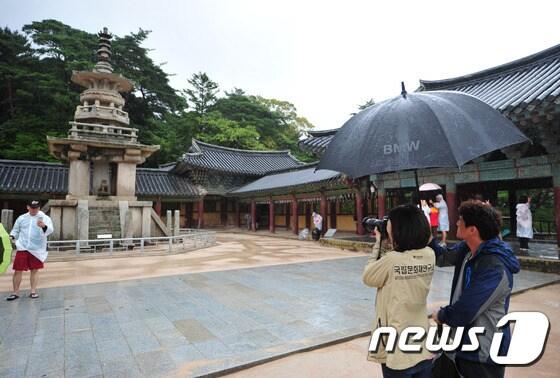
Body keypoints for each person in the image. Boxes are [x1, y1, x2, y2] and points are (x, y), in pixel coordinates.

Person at [429, 200, 520, 378]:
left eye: (461, 220)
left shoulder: (494, 266)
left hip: (483, 351)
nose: (456, 222)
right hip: (460, 344)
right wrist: (427, 237)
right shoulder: (468, 249)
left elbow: (465, 310)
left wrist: (441, 315)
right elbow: (442, 257)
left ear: (473, 230)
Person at [363, 204, 434, 378]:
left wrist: (379, 243)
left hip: (397, 348)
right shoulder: (430, 254)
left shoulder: (392, 260)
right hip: (422, 342)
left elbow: (368, 277)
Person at [6, 200, 54, 301]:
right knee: (18, 269)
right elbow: (15, 229)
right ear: (28, 207)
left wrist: (44, 226)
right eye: (32, 207)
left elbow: (50, 230)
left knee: (34, 270)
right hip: (22, 246)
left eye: (36, 208)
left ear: (39, 208)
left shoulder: (45, 218)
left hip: (36, 248)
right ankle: (15, 292)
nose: (34, 210)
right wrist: (13, 235)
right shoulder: (22, 218)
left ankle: (33, 291)